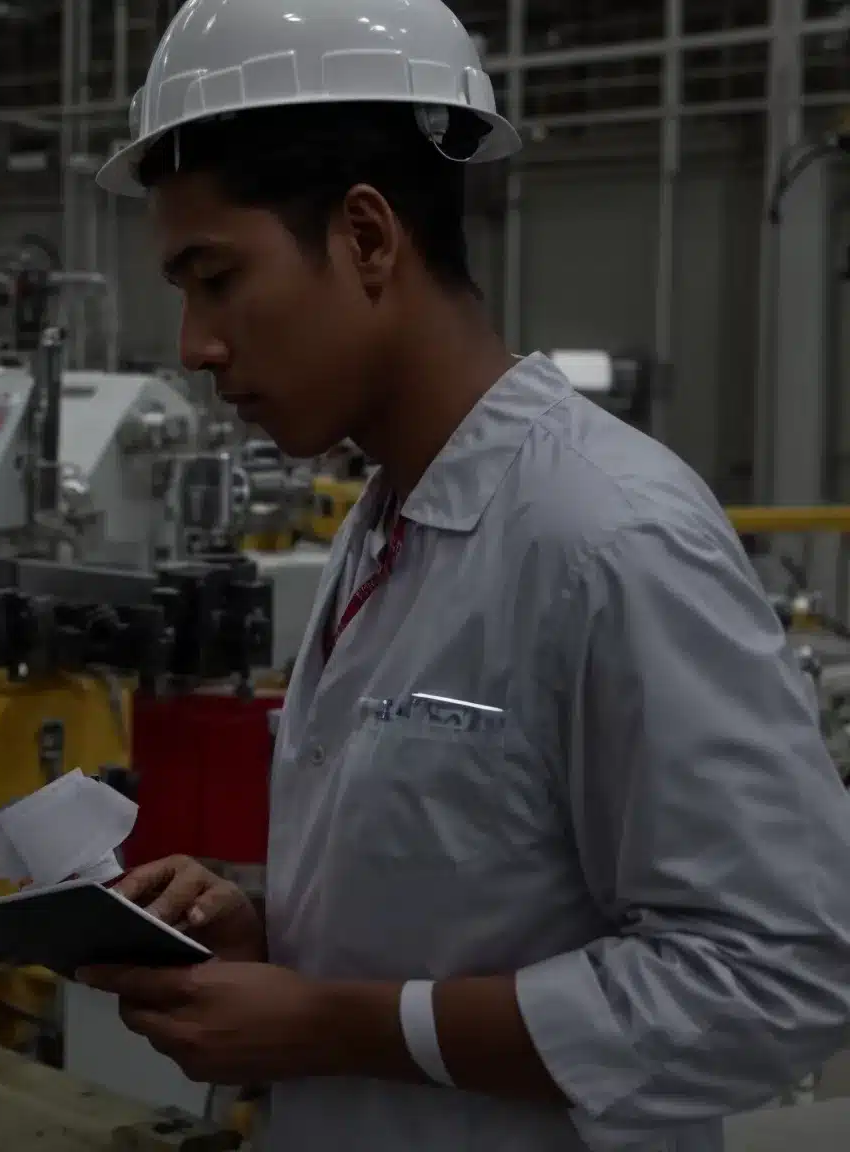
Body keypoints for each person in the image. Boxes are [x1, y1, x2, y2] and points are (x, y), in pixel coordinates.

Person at [82, 1, 850, 1150]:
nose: (193, 344)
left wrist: (333, 1025)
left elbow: (775, 974)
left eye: (215, 277)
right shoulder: (387, 518)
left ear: (367, 238)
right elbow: (474, 904)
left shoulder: (604, 535)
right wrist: (270, 945)